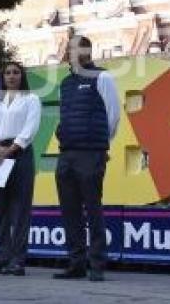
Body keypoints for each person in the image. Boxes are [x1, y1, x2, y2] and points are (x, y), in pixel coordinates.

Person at [53, 36, 120, 282]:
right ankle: (76, 263)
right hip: (67, 153)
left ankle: (97, 264)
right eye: (69, 47)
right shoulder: (66, 83)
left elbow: (113, 116)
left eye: (75, 47)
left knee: (93, 208)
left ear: (87, 51)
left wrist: (101, 144)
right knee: (69, 210)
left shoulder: (103, 77)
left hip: (91, 153)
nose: (70, 51)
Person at [0, 61, 41, 276]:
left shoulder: (31, 99)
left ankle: (18, 260)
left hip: (20, 153)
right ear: (3, 77)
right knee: (0, 208)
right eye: (8, 73)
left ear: (22, 76)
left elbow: (30, 127)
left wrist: (12, 148)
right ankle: (1, 257)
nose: (12, 76)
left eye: (16, 73)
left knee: (21, 208)